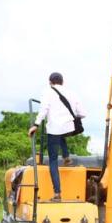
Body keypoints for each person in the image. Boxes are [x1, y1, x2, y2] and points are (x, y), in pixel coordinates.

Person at [28, 72, 86, 201]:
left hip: (54, 129)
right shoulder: (72, 93)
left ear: (50, 82)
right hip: (69, 128)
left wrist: (36, 124)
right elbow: (82, 113)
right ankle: (66, 156)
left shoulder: (47, 92)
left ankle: (57, 193)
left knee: (53, 161)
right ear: (62, 82)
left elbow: (43, 109)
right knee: (61, 134)